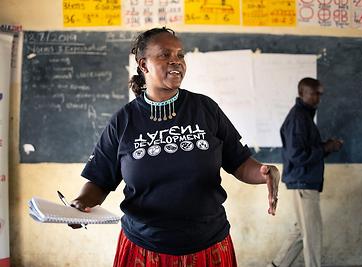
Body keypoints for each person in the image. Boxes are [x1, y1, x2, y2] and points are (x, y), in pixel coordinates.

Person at [70, 27, 280, 267]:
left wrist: (263, 172)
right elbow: (99, 179)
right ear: (143, 65)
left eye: (180, 55)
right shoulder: (124, 120)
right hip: (144, 248)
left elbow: (240, 162)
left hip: (208, 244)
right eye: (164, 55)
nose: (176, 61)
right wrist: (81, 203)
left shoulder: (205, 109)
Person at [269, 78, 343, 267]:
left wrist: (326, 147)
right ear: (302, 93)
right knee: (312, 233)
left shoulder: (304, 116)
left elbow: (303, 150)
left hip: (304, 180)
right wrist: (326, 148)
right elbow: (297, 155)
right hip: (303, 182)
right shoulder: (299, 117)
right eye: (313, 93)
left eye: (320, 93)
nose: (318, 97)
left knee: (302, 231)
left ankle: (276, 265)